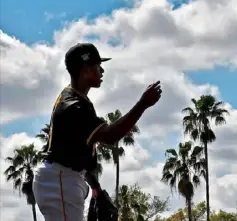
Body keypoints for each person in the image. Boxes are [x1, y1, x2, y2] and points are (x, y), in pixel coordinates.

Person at [33, 43, 162, 221]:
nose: (101, 70)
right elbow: (110, 136)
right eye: (97, 66)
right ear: (85, 69)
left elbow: (75, 150)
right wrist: (143, 104)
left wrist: (96, 189)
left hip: (63, 178)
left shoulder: (74, 97)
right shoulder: (74, 106)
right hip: (60, 179)